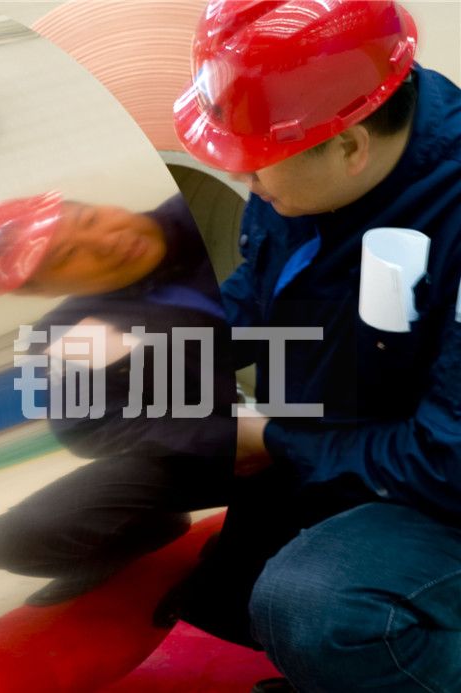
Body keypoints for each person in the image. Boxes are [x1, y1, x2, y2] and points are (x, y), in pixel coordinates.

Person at [172, 1, 461, 690]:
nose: (246, 184)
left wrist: (273, 441)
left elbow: (446, 461)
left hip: (445, 476)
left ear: (351, 146)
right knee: (212, 583)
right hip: (382, 435)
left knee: (316, 608)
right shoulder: (309, 167)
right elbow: (265, 285)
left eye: (255, 169)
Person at [0, 193, 238, 605]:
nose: (108, 240)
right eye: (68, 255)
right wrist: (235, 438)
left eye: (89, 219)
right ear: (37, 290)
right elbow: (92, 425)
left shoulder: (215, 207)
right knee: (17, 539)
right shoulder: (76, 332)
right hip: (235, 449)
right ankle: (152, 531)